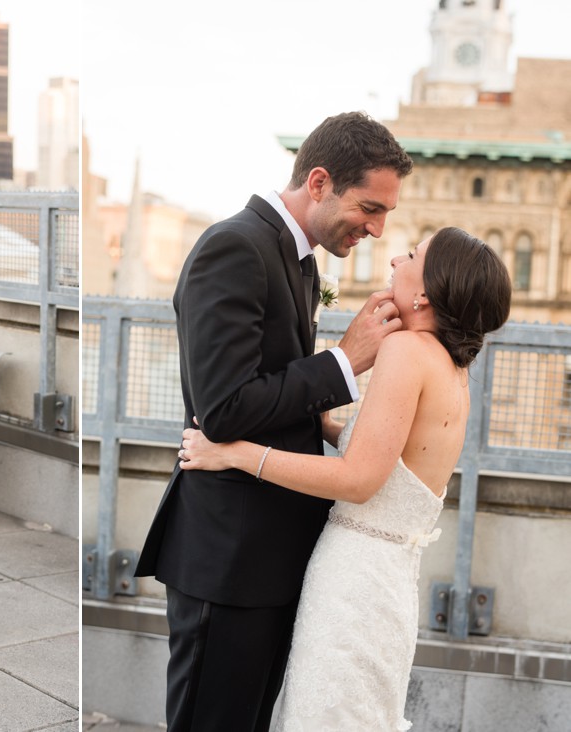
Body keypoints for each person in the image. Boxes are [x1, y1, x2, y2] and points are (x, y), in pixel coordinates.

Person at [133, 111, 414, 731]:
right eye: (370, 207)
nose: (377, 227)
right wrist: (346, 361)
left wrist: (344, 427)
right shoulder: (235, 246)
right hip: (230, 556)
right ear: (319, 182)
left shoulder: (299, 259)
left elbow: (273, 387)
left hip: (273, 552)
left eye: (386, 213)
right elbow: (226, 406)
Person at [179, 227, 512, 730]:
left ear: (425, 293)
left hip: (353, 580)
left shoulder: (405, 351)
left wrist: (235, 453)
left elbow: (359, 480)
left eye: (413, 254)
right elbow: (391, 458)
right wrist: (324, 423)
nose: (396, 258)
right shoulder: (450, 368)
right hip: (390, 583)